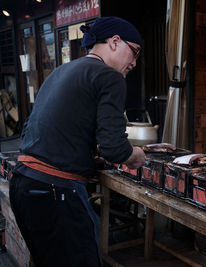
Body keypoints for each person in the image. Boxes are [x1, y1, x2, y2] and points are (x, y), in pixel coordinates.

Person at [9, 16, 146, 267]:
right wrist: (135, 155)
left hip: (22, 186)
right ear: (115, 42)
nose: (134, 62)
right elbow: (114, 148)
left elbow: (36, 129)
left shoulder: (61, 71)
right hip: (55, 191)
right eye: (134, 52)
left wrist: (82, 154)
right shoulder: (110, 76)